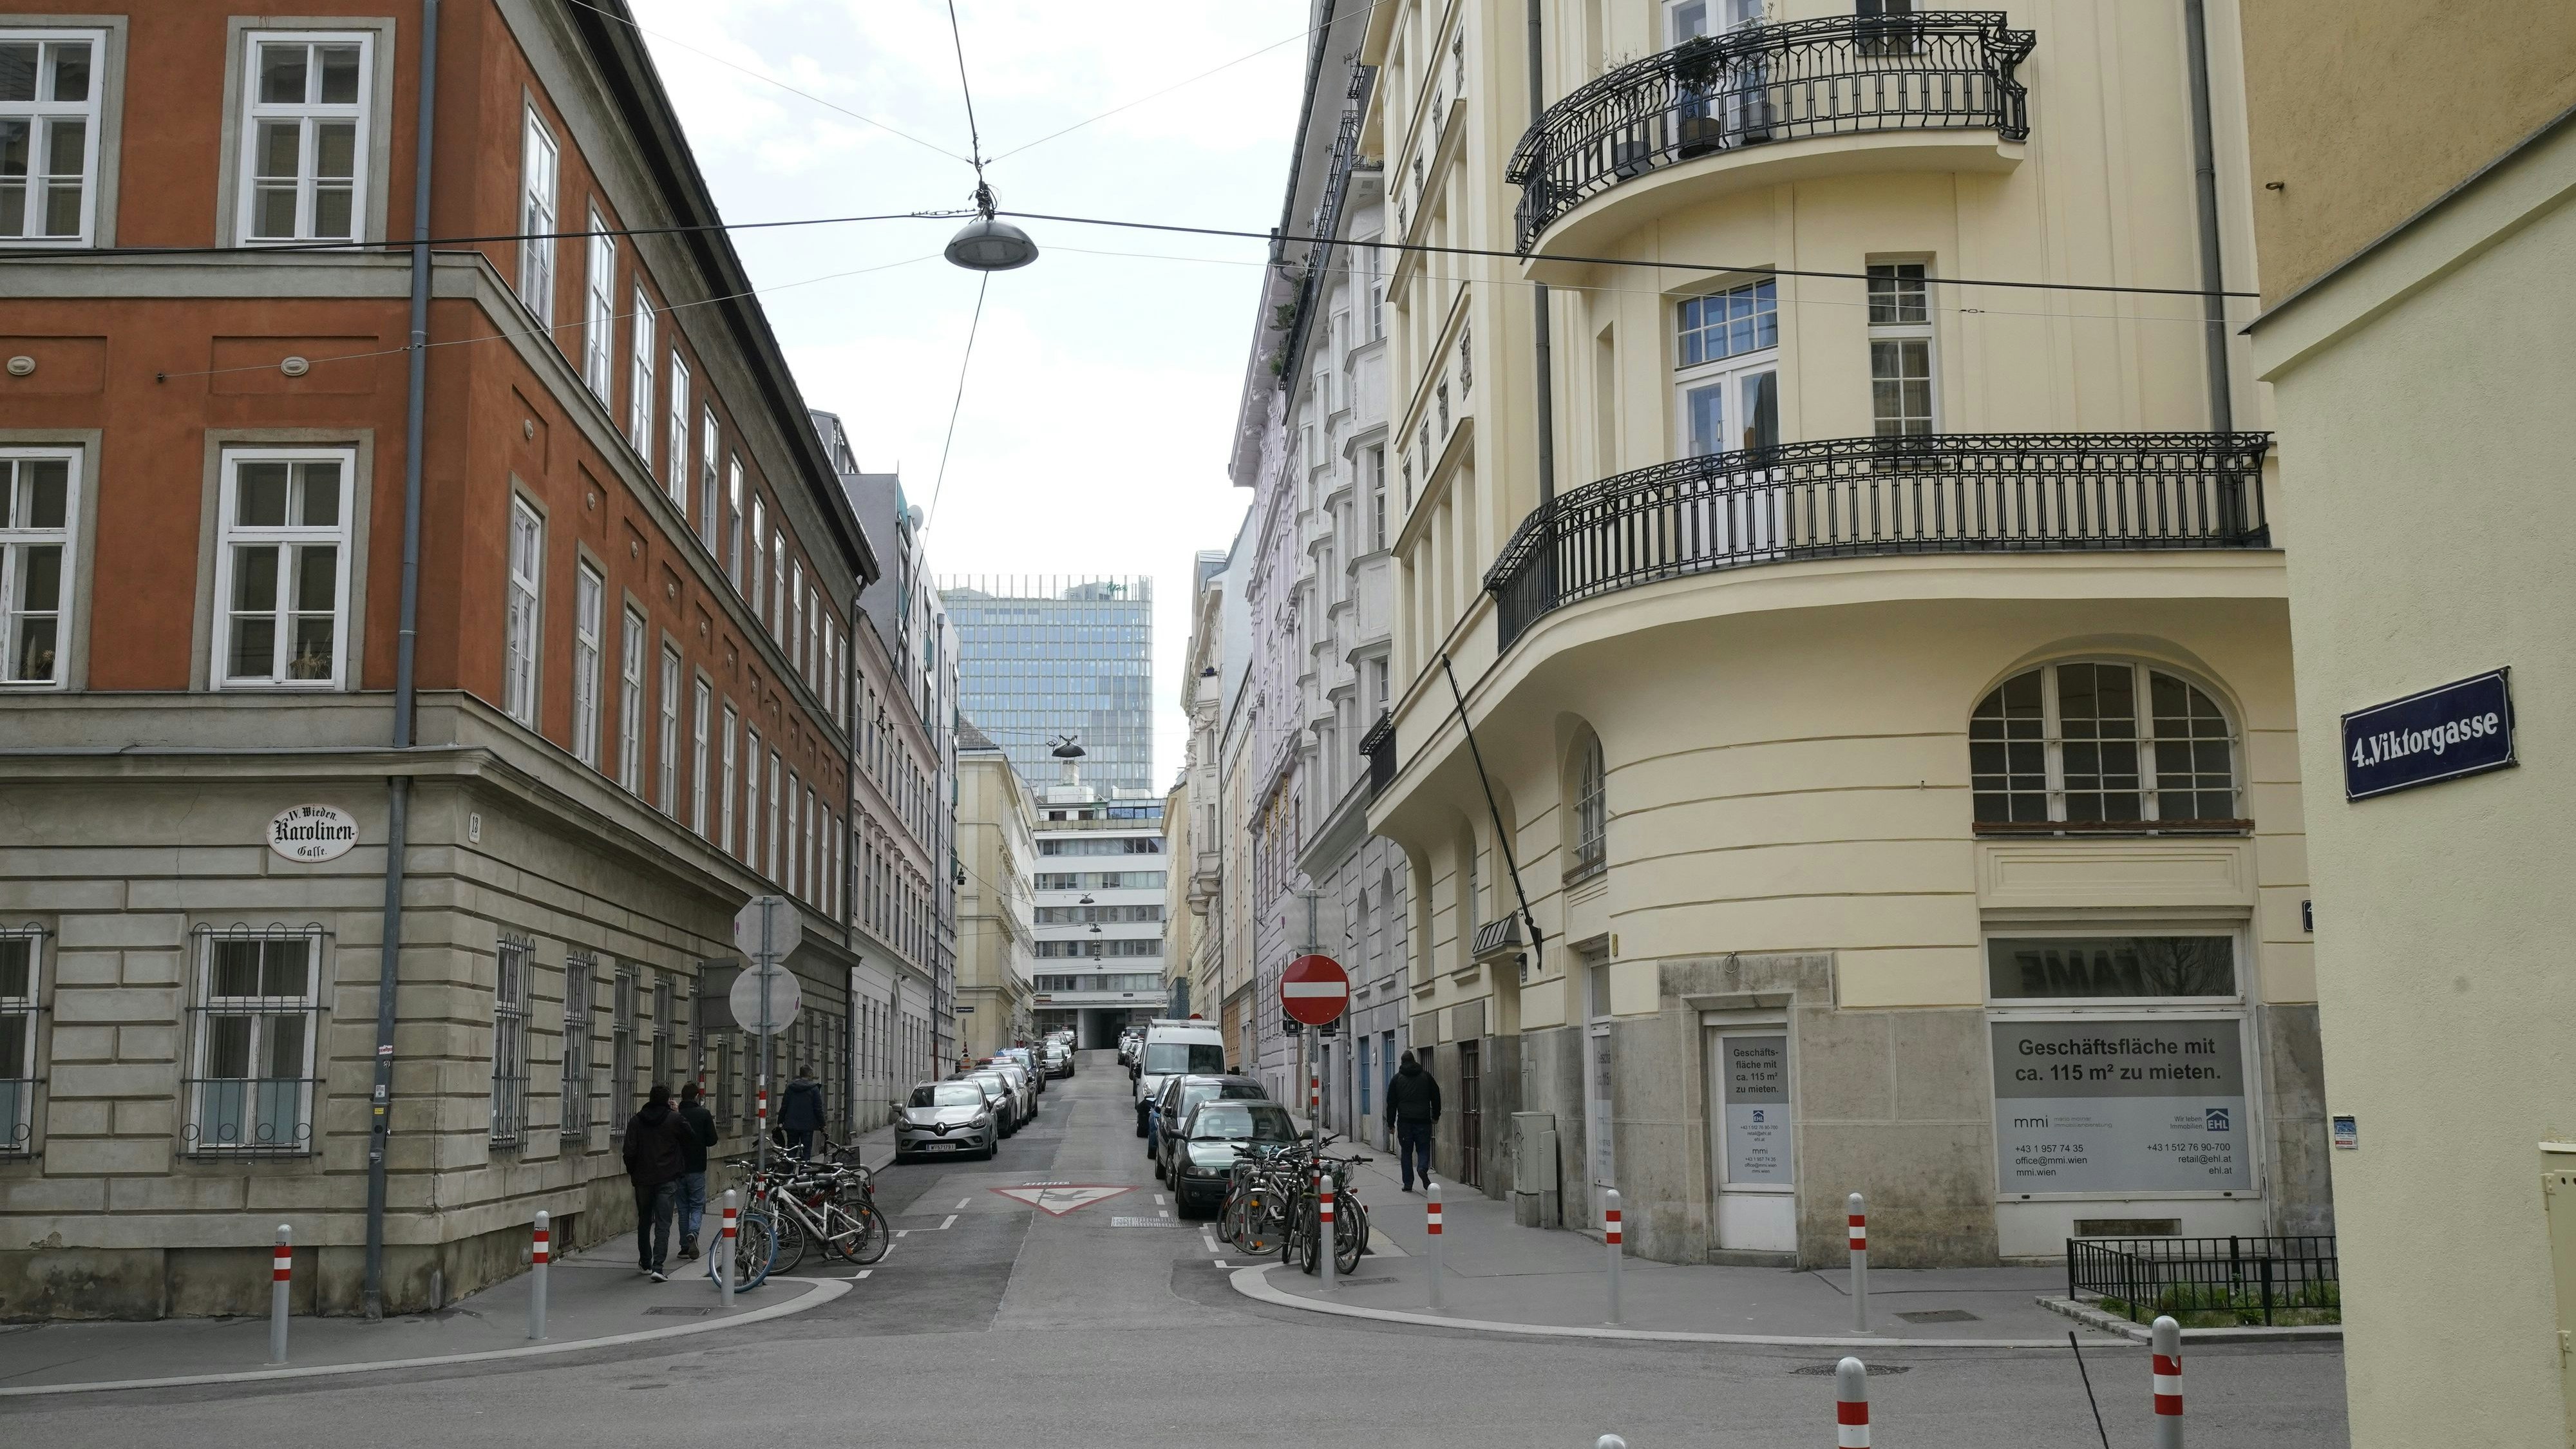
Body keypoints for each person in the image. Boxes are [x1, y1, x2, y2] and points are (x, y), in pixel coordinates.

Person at [621, 1083, 695, 1280]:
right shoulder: (674, 1119)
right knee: (663, 1223)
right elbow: (691, 1137)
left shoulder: (636, 1121)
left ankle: (645, 1262)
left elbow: (629, 1151)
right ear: (667, 1101)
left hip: (643, 1179)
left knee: (644, 1221)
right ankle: (658, 1267)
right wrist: (678, 1113)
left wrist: (634, 1172)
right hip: (667, 1177)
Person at [673, 1081, 719, 1262]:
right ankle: (693, 1232)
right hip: (697, 1167)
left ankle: (685, 1247)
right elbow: (712, 1140)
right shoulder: (703, 1114)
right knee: (697, 1205)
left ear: (682, 1096)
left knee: (683, 1208)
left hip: (678, 1168)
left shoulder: (676, 1115)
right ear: (697, 1096)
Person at [1383, 1050, 1442, 1193]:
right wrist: (1436, 1115)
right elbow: (1436, 1096)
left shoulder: (1397, 1079)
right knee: (1423, 1148)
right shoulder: (1426, 1077)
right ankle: (1422, 1168)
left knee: (1406, 1152)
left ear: (1402, 1062)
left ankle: (1408, 1183)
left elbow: (1391, 1103)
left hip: (1405, 1122)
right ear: (1414, 1060)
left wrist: (1391, 1124)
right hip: (1423, 1121)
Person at [780, 1063, 826, 1160]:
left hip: (791, 1125)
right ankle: (804, 1169)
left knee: (791, 1150)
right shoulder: (814, 1089)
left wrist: (780, 1121)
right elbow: (818, 1109)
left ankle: (789, 1169)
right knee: (806, 1151)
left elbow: (784, 1106)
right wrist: (823, 1125)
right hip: (807, 1126)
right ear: (810, 1074)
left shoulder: (790, 1088)